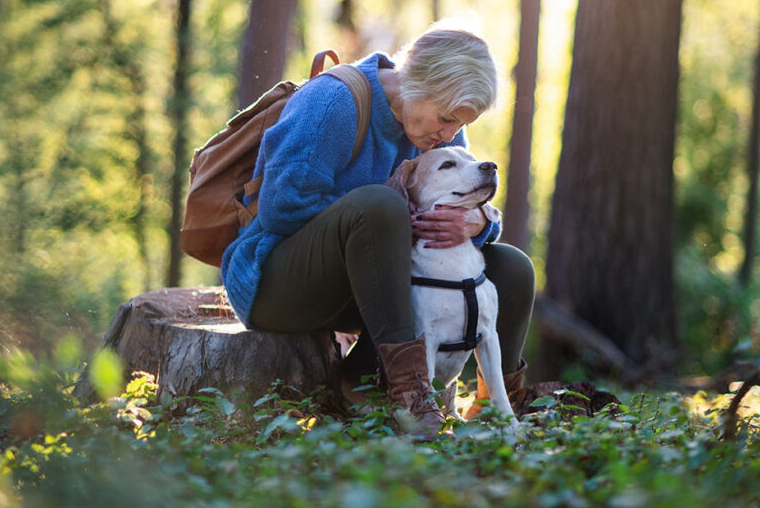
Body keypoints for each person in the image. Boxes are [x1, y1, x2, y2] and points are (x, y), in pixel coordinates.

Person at [221, 22, 536, 439]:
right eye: (444, 119)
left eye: (457, 124)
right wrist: (384, 224)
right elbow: (282, 209)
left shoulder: (437, 130)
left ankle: (497, 407)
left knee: (509, 267)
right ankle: (409, 395)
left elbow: (463, 199)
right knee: (382, 205)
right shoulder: (334, 102)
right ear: (417, 79)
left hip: (371, 290)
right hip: (278, 281)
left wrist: (477, 222)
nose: (448, 135)